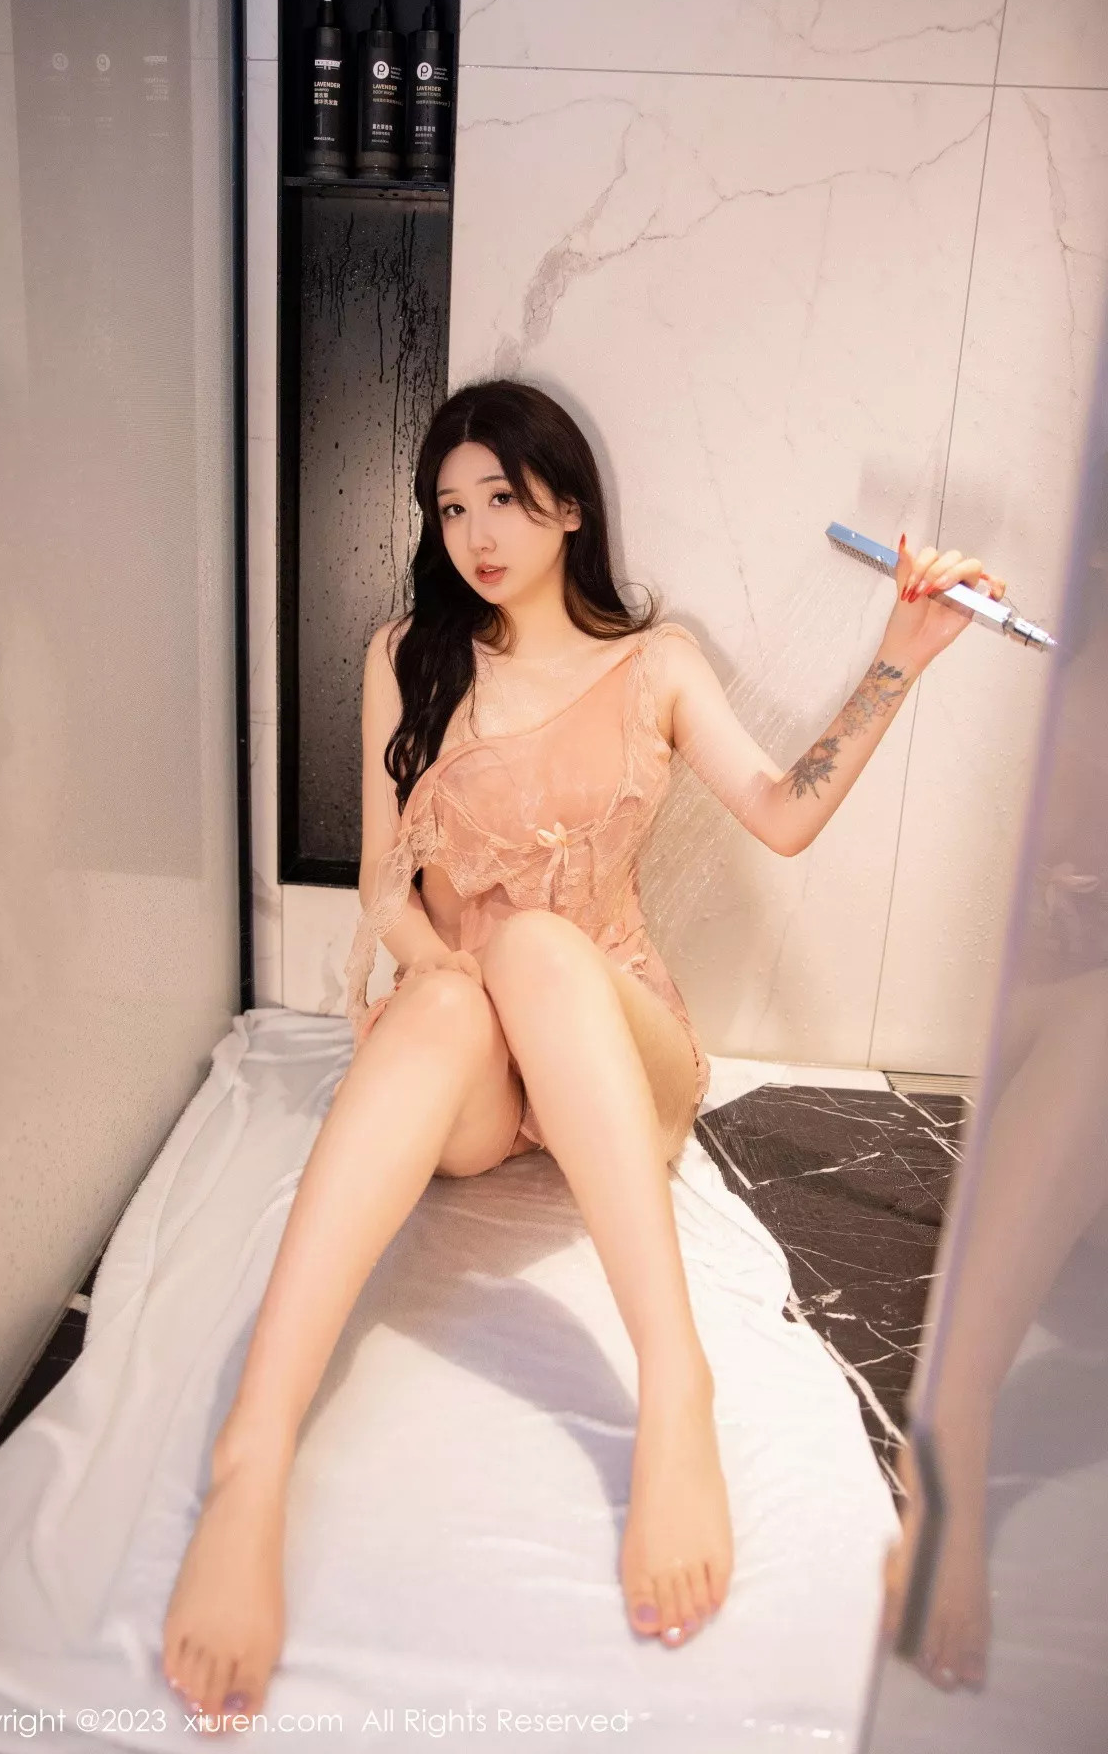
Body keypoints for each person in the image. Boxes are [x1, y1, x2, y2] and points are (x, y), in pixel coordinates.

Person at [160, 379, 1008, 1729]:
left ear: (567, 504)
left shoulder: (655, 664)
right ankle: (250, 1461)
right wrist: (449, 977)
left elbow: (783, 813)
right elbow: (385, 886)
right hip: (476, 1060)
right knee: (454, 996)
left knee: (543, 949)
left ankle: (675, 1391)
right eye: (451, 508)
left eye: (502, 497)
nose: (476, 534)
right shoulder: (408, 655)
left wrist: (902, 652)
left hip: (616, 1041)